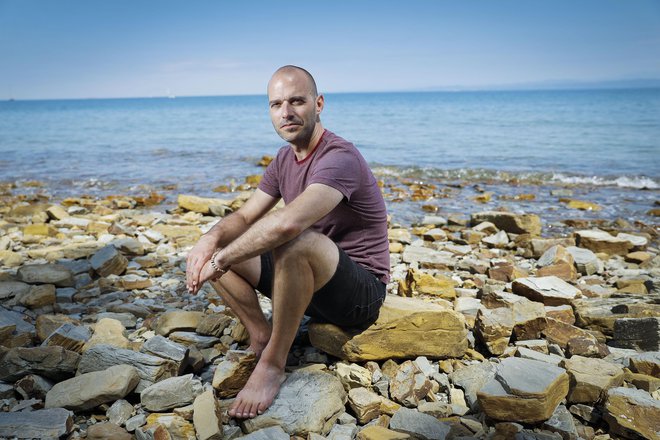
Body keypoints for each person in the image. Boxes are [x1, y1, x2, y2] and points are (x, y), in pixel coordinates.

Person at [185, 65, 389, 419]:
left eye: (297, 101)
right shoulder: (283, 159)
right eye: (277, 104)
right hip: (308, 287)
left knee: (293, 241)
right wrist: (209, 242)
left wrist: (223, 261)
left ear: (319, 103)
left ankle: (274, 364)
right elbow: (246, 217)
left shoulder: (339, 156)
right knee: (219, 247)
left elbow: (288, 224)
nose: (286, 112)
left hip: (359, 296)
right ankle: (261, 336)